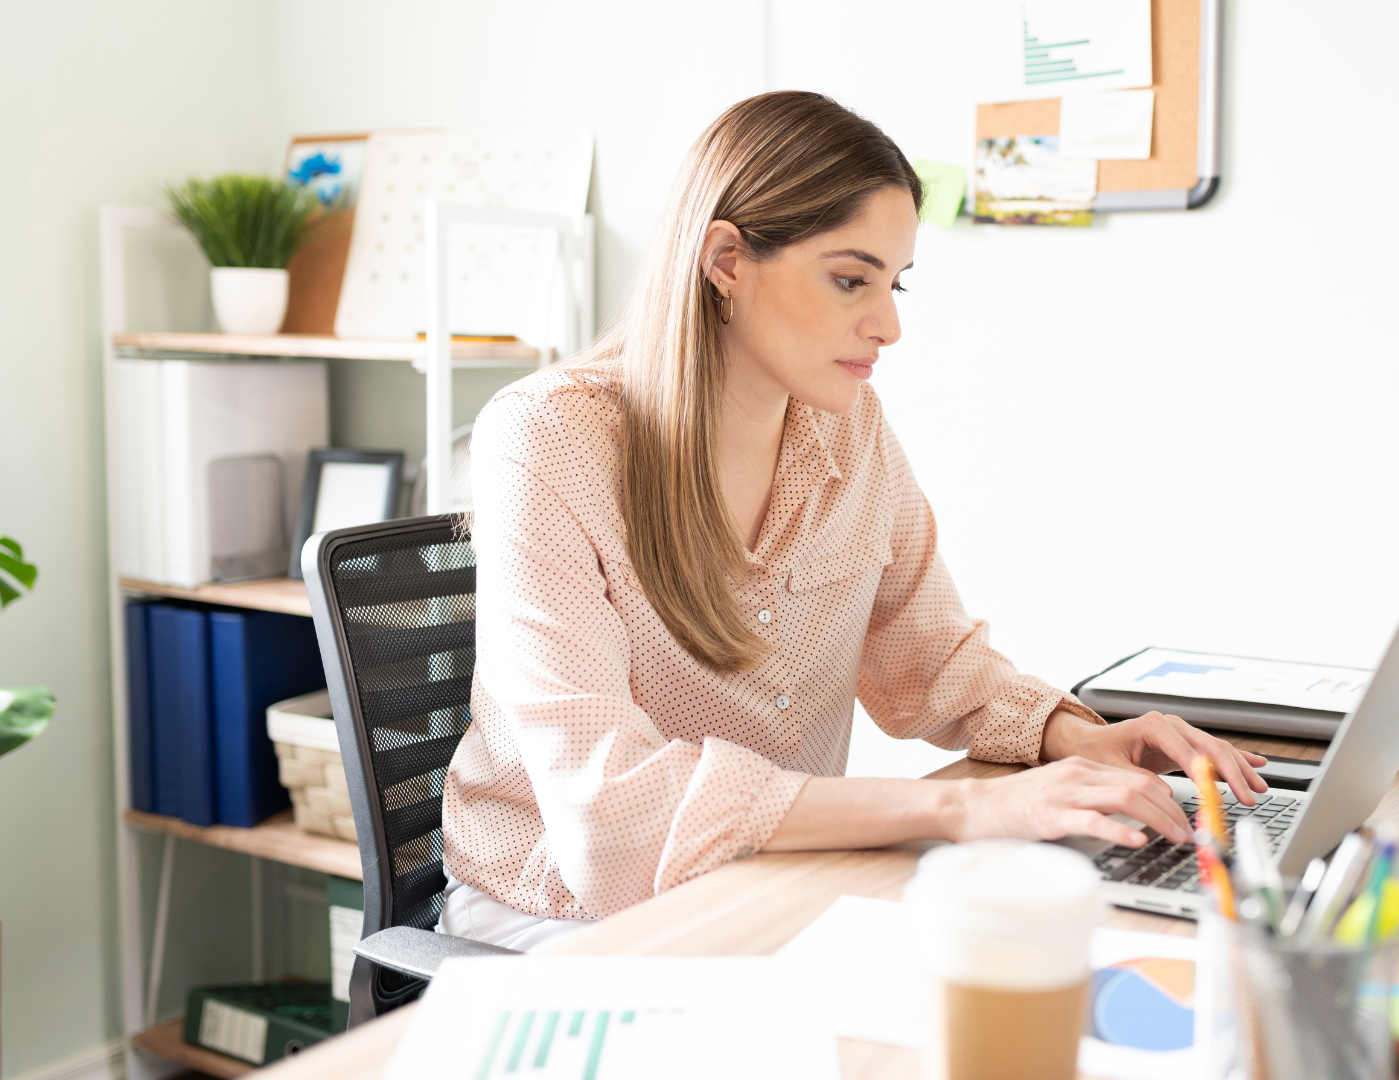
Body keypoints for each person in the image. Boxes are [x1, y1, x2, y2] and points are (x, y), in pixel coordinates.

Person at [438, 91, 1267, 949]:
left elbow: (929, 656)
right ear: (726, 259)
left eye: (895, 282)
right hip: (559, 917)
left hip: (770, 881)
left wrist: (1077, 740)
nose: (890, 324)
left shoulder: (848, 425)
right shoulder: (546, 439)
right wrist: (967, 804)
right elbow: (608, 812)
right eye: (850, 279)